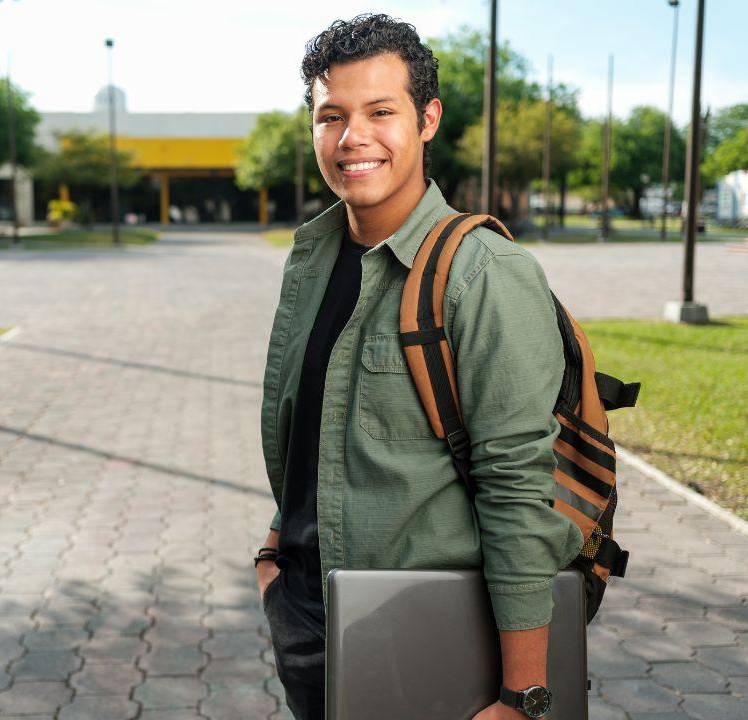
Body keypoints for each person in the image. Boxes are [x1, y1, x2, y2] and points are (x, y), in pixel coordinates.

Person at [254, 13, 584, 720]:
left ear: (427, 118)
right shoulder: (313, 259)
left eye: (381, 112)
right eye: (331, 115)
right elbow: (308, 425)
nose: (353, 139)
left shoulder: (484, 273)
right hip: (310, 615)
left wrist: (523, 695)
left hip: (424, 635)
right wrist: (274, 555)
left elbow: (518, 488)